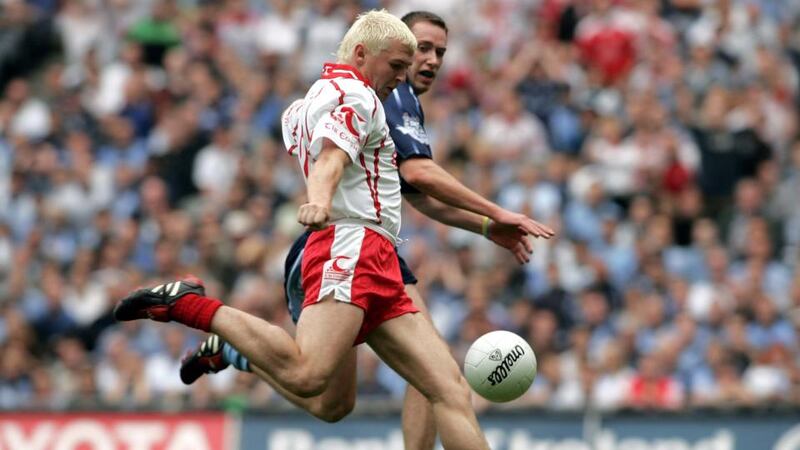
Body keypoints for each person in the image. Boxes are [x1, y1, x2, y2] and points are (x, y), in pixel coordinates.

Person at [114, 10, 499, 449]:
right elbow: (331, 159)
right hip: (351, 243)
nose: (403, 76)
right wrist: (318, 201)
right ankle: (188, 306)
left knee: (429, 390)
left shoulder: (304, 105)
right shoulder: (360, 96)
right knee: (308, 374)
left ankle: (234, 348)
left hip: (371, 252)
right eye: (396, 66)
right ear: (361, 54)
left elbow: (339, 158)